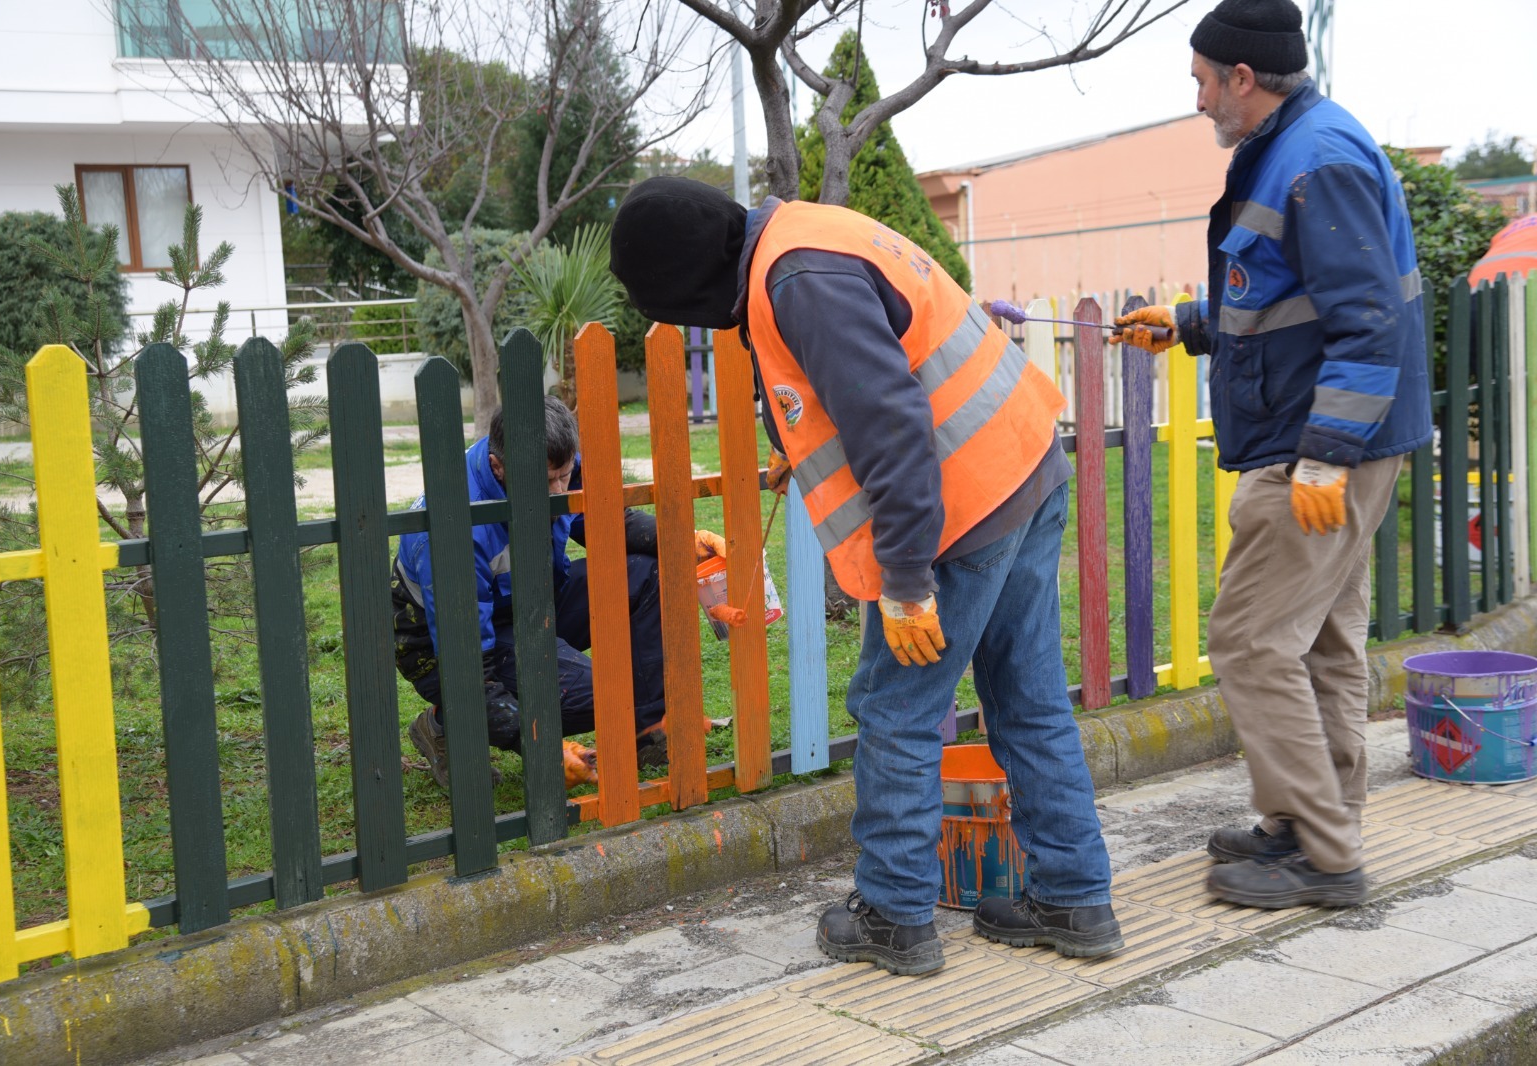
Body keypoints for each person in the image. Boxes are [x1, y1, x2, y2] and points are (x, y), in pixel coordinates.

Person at [609, 177, 1122, 976]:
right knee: (1029, 698)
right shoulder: (802, 237)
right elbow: (870, 372)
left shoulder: (797, 280)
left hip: (959, 511)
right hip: (1022, 465)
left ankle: (894, 914)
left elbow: (893, 425)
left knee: (897, 711)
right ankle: (1075, 899)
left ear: (689, 285)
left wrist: (908, 582)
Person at [1110, 0, 1431, 908]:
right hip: (1334, 437)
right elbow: (1294, 297)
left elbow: (1367, 322)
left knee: (1250, 640)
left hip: (1318, 449)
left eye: (1202, 82)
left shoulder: (1316, 161)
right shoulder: (1296, 147)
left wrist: (1324, 455)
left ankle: (1324, 855)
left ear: (1242, 78)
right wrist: (1189, 323)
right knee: (1318, 640)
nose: (1198, 100)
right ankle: (1312, 822)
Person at [392, 396, 725, 789]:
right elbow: (469, 668)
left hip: (531, 601)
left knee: (648, 573)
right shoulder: (454, 532)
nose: (559, 490)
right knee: (607, 696)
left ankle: (647, 734)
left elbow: (605, 520)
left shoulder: (551, 458)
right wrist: (542, 748)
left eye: (564, 476)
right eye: (546, 482)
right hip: (443, 645)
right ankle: (444, 725)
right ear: (498, 466)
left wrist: (682, 540)